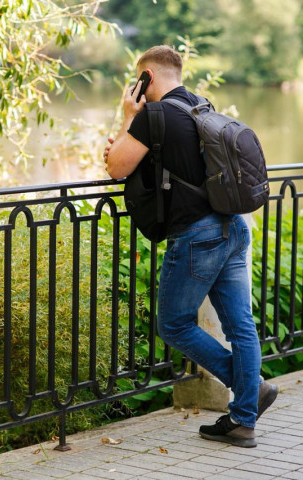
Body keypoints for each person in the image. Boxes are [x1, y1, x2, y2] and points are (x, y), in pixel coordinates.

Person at [103, 45, 278, 448]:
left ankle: (248, 392)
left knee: (174, 324)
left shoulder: (153, 115)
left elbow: (116, 168)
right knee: (241, 327)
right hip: (232, 226)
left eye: (139, 81)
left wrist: (128, 117)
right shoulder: (201, 106)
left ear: (145, 77)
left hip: (198, 236)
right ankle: (243, 420)